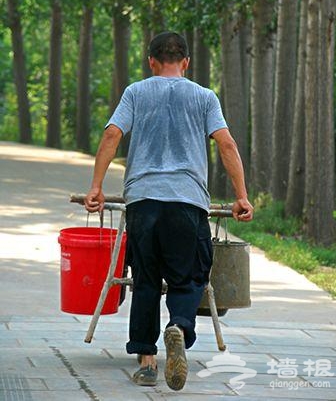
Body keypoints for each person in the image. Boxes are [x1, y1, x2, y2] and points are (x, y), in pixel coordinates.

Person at [85, 31, 253, 391]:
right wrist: (241, 195)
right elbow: (226, 143)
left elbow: (112, 135)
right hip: (187, 201)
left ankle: (146, 362)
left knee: (146, 277)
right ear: (186, 63)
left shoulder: (136, 92)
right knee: (190, 275)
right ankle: (178, 325)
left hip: (144, 200)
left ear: (151, 62)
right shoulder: (205, 97)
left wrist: (96, 187)